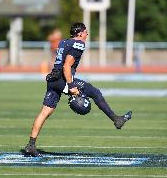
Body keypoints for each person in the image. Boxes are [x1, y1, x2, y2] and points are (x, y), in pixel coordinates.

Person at [25, 22, 132, 157]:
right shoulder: (79, 44)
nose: (87, 34)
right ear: (80, 33)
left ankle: (31, 145)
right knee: (94, 92)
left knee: (45, 112)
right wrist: (71, 86)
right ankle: (116, 119)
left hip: (53, 79)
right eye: (86, 32)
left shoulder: (64, 42)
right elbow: (67, 66)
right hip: (62, 79)